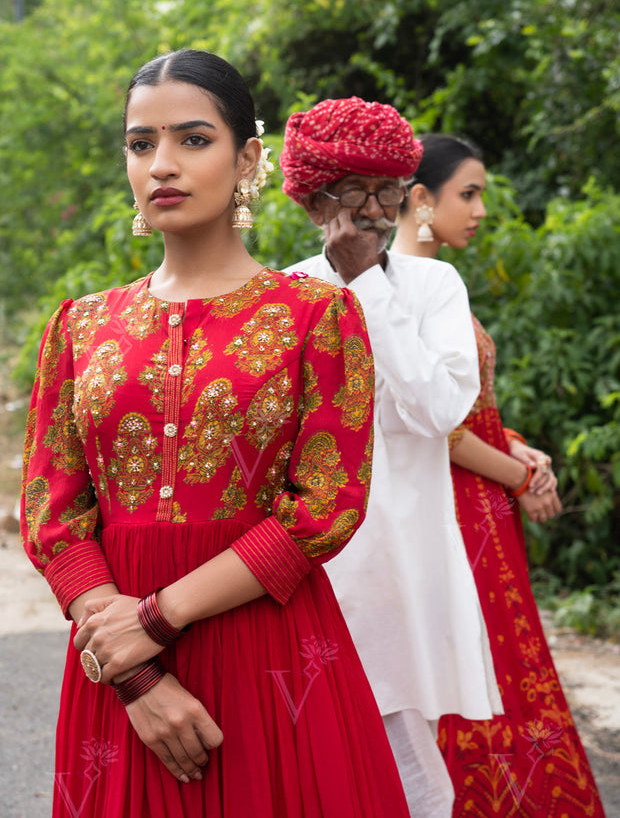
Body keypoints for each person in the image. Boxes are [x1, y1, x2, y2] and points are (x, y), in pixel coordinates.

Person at [20, 50, 412, 818]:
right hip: (119, 667)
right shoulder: (80, 326)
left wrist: (154, 618)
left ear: (249, 159)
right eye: (141, 144)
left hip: (265, 653)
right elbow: (52, 513)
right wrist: (135, 672)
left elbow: (327, 504)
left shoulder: (317, 318)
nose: (162, 164)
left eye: (193, 140)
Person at [280, 97, 502, 818]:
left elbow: (440, 411)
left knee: (414, 776)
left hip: (407, 566)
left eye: (386, 191)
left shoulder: (436, 286)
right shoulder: (286, 293)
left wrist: (369, 285)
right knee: (319, 763)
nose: (373, 209)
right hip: (316, 567)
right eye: (352, 192)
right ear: (316, 204)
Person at [392, 132, 606, 817]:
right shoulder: (401, 289)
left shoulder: (431, 283)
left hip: (477, 504)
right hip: (449, 510)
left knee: (498, 663)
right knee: (472, 667)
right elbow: (440, 430)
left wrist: (514, 444)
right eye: (469, 193)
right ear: (421, 199)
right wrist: (518, 473)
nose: (482, 209)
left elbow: (464, 409)